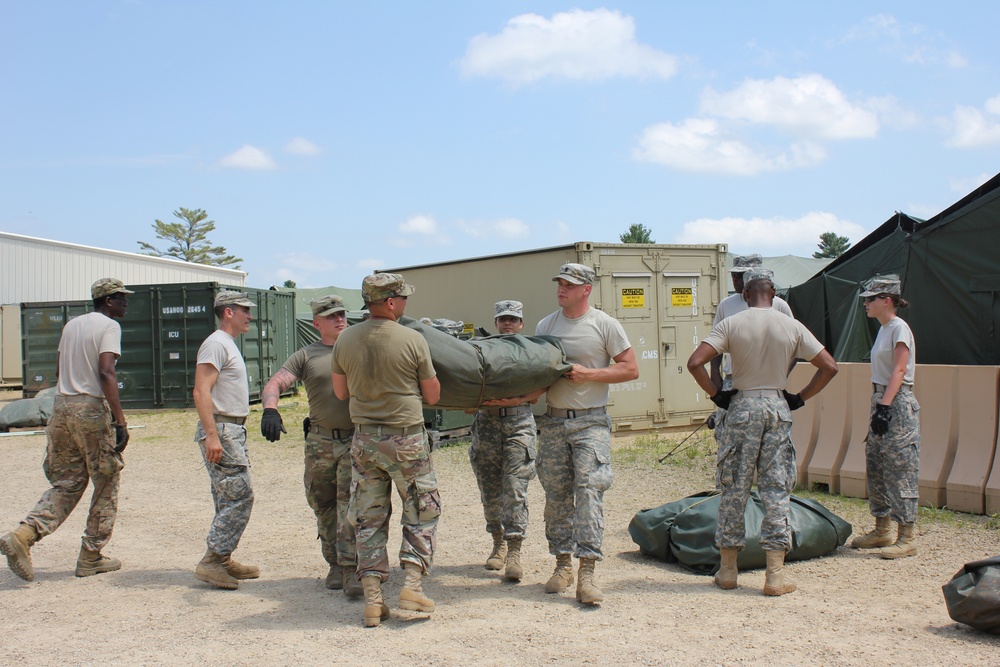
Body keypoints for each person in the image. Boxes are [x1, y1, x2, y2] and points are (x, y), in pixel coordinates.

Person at [686, 268, 838, 596]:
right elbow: (830, 366)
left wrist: (717, 394)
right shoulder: (791, 325)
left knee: (733, 489)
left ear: (745, 294)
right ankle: (774, 575)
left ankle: (728, 570)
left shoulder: (732, 323)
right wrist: (799, 397)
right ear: (774, 293)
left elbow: (695, 362)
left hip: (740, 406)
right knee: (776, 491)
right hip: (776, 404)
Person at [0, 278, 132, 580]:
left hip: (61, 406)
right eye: (121, 298)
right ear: (107, 301)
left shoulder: (72, 325)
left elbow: (60, 371)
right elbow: (106, 371)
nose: (126, 302)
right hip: (90, 408)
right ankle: (91, 555)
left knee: (67, 482)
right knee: (107, 480)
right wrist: (120, 420)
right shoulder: (109, 327)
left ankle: (24, 534)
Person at [331, 273, 441, 628]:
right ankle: (411, 585)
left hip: (364, 442)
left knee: (368, 518)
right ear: (391, 302)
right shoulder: (412, 339)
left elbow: (341, 393)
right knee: (422, 511)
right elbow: (433, 396)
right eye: (403, 298)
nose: (406, 303)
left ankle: (373, 601)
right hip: (406, 440)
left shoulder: (344, 340)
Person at [534, 263, 639, 605]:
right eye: (559, 283)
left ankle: (588, 573)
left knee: (590, 493)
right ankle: (562, 564)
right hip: (553, 423)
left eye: (569, 284)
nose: (562, 288)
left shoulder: (604, 324)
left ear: (586, 289)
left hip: (591, 423)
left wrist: (589, 375)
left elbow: (630, 368)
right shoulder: (545, 325)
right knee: (557, 496)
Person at [259, 295, 362, 597]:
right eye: (331, 316)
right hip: (319, 443)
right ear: (317, 322)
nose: (339, 319)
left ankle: (350, 569)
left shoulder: (358, 350)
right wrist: (270, 409)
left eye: (342, 314)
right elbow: (275, 383)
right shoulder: (305, 355)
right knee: (323, 505)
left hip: (354, 440)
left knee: (350, 505)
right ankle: (333, 564)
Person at [468, 300, 540, 582]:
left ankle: (514, 551)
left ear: (521, 324)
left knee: (515, 486)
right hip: (486, 423)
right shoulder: (481, 350)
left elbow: (538, 389)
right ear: (496, 323)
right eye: (503, 319)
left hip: (519, 422)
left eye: (513, 319)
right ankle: (497, 542)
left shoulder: (530, 352)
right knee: (489, 486)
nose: (507, 324)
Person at [192, 290, 259, 590]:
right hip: (222, 428)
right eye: (245, 310)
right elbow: (201, 391)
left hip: (231, 429)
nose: (250, 315)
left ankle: (223, 558)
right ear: (228, 312)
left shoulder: (226, 344)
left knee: (225, 497)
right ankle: (213, 559)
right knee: (240, 495)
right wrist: (212, 436)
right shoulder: (216, 344)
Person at [850, 278, 920, 559]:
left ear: (887, 300)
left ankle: (907, 535)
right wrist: (879, 404)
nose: (866, 304)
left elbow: (900, 370)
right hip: (881, 399)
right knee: (877, 463)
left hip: (897, 402)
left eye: (871, 299)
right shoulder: (883, 330)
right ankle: (882, 529)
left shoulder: (899, 328)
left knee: (900, 467)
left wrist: (885, 406)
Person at [709, 254, 793, 436]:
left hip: (769, 383)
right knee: (729, 435)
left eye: (740, 276)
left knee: (771, 435)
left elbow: (795, 346)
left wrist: (783, 373)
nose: (735, 280)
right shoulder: (727, 305)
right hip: (735, 381)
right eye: (733, 275)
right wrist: (715, 376)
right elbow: (714, 346)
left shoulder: (779, 306)